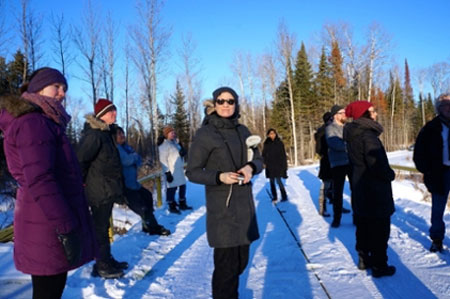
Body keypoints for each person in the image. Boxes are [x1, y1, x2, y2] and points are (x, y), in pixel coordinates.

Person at [0, 67, 97, 298]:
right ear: (38, 89)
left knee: (49, 289)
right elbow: (41, 179)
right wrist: (66, 226)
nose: (62, 93)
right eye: (57, 87)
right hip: (47, 222)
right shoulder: (33, 122)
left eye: (65, 89)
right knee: (48, 291)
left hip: (45, 218)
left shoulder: (44, 121)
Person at [186, 87, 263, 299]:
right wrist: (219, 177)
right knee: (226, 270)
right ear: (215, 104)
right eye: (221, 101)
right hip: (222, 210)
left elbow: (258, 159)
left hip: (244, 208)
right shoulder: (206, 133)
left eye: (230, 101)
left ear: (236, 104)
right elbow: (192, 172)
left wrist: (251, 168)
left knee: (240, 262)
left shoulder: (243, 130)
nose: (226, 104)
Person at [343, 100, 396, 278]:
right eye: (372, 111)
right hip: (375, 189)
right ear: (364, 114)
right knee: (380, 228)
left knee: (364, 224)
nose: (375, 114)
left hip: (360, 185)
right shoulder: (368, 136)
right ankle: (380, 265)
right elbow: (377, 165)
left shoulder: (353, 134)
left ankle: (364, 258)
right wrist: (390, 174)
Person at [77, 99, 128, 279]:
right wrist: (83, 184)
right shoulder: (94, 136)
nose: (114, 114)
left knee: (103, 226)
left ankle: (106, 258)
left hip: (106, 189)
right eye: (109, 112)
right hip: (98, 190)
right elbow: (80, 161)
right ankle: (102, 264)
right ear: (100, 116)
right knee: (99, 228)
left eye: (114, 110)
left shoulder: (106, 134)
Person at [114, 126, 170, 236]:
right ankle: (153, 227)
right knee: (142, 208)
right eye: (119, 134)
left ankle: (147, 225)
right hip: (126, 187)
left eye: (123, 133)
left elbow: (138, 160)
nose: (122, 136)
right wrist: (133, 157)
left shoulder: (126, 148)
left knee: (148, 197)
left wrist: (133, 158)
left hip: (134, 184)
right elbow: (126, 161)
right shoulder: (117, 149)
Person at [413, 93, 450, 253]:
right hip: (439, 174)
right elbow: (419, 155)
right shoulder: (430, 128)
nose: (449, 108)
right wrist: (428, 171)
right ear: (439, 108)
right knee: (437, 209)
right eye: (445, 105)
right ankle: (437, 239)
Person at [325, 105, 351, 227]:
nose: (345, 114)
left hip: (351, 162)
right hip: (338, 164)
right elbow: (335, 144)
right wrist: (350, 145)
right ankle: (337, 219)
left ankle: (357, 218)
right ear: (336, 115)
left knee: (355, 191)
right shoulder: (330, 129)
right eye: (342, 113)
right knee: (338, 192)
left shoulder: (348, 128)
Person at [159, 126, 192, 213]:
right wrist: (167, 172)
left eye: (174, 132)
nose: (173, 134)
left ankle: (182, 203)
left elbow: (180, 153)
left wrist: (182, 148)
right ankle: (171, 205)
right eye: (171, 133)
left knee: (182, 186)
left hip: (179, 170)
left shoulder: (175, 143)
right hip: (172, 170)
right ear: (166, 134)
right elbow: (163, 160)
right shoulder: (164, 145)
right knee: (172, 188)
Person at [314, 112, 333, 217]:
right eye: (331, 119)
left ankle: (335, 204)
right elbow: (318, 149)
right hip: (326, 161)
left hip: (334, 161)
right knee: (326, 184)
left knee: (334, 184)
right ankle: (322, 207)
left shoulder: (333, 129)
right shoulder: (322, 132)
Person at [262, 128, 288, 202]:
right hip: (270, 166)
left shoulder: (279, 143)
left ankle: (284, 196)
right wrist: (265, 162)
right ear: (268, 135)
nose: (272, 135)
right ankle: (274, 196)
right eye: (270, 134)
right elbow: (263, 154)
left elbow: (283, 155)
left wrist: (284, 167)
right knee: (272, 182)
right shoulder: (266, 143)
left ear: (275, 134)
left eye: (273, 133)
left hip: (278, 166)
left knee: (279, 181)